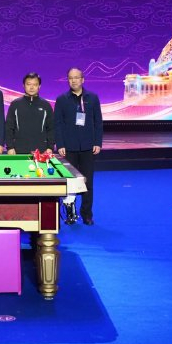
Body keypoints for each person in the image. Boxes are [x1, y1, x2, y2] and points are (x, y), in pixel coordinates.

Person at [54, 67, 103, 225]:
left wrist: (97, 142)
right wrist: (60, 144)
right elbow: (58, 124)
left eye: (76, 77)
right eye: (70, 78)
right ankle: (70, 213)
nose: (73, 80)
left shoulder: (92, 98)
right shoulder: (62, 99)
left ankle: (87, 214)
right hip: (69, 147)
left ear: (83, 79)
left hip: (88, 147)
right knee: (70, 182)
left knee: (88, 182)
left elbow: (98, 122)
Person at [6, 72, 55, 154]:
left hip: (41, 151)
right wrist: (10, 147)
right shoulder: (15, 104)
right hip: (18, 150)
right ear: (23, 85)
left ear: (39, 86)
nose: (31, 87)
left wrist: (50, 147)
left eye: (35, 84)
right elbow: (9, 127)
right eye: (28, 84)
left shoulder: (46, 105)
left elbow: (51, 128)